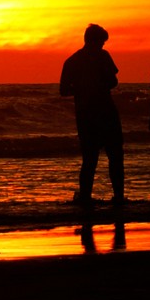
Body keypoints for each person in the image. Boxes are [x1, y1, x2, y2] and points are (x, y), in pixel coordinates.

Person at [59, 23, 124, 206]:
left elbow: (63, 90)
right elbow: (113, 81)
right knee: (114, 156)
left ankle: (87, 198)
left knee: (90, 159)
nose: (103, 46)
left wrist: (80, 89)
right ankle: (118, 196)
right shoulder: (103, 57)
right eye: (101, 42)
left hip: (86, 114)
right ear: (94, 41)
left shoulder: (72, 61)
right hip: (104, 112)